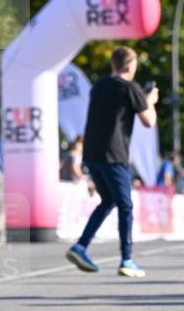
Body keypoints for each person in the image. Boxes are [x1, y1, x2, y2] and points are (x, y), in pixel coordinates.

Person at [66, 46, 158, 277]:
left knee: (108, 201)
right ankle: (126, 259)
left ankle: (81, 246)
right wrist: (151, 101)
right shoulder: (130, 88)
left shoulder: (98, 87)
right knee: (125, 205)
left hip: (92, 153)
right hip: (115, 154)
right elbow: (149, 121)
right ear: (130, 66)